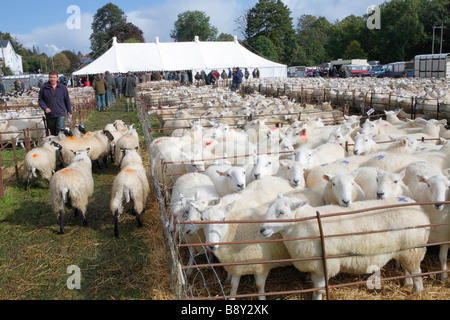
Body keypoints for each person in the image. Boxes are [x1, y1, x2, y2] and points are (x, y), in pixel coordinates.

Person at [38, 70, 72, 136]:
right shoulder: (44, 88)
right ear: (49, 78)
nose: (52, 79)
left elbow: (67, 100)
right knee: (53, 132)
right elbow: (40, 100)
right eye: (51, 77)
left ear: (57, 78)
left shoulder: (63, 88)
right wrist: (45, 108)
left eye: (54, 77)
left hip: (61, 112)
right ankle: (56, 145)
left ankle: (61, 144)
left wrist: (69, 111)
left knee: (60, 130)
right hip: (50, 114)